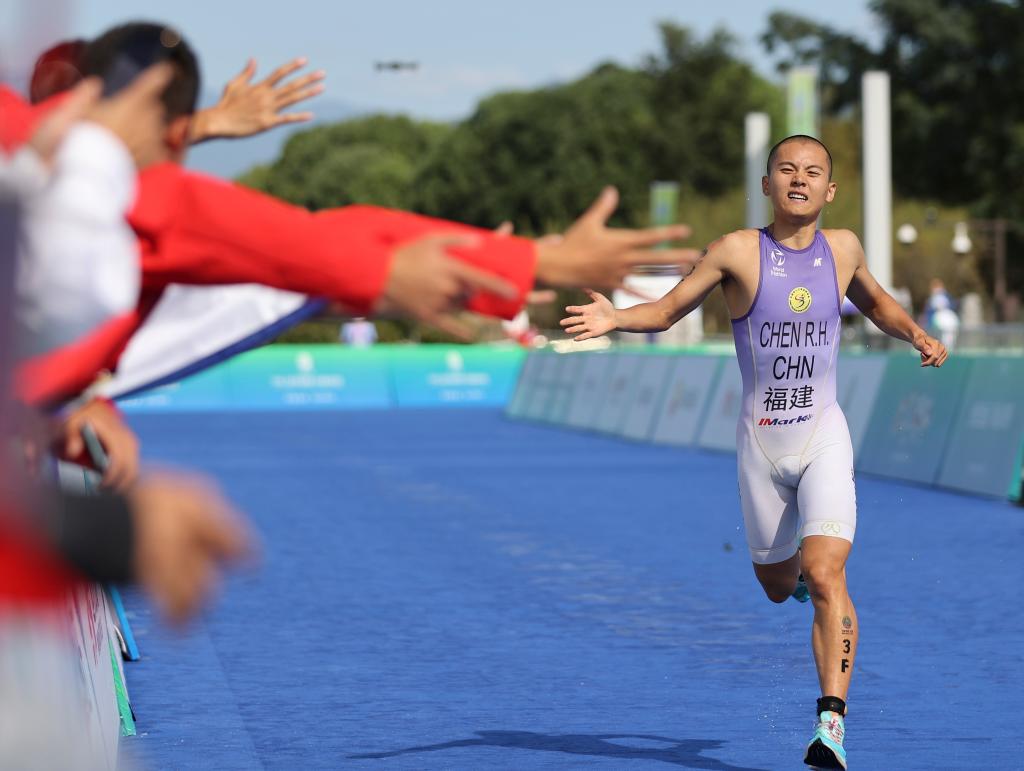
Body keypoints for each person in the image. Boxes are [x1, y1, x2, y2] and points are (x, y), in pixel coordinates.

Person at [9, 22, 697, 410]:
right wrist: (536, 261)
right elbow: (325, 242)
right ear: (162, 102)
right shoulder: (131, 196)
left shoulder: (40, 142)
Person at [561, 134, 948, 769]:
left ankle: (831, 726)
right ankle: (796, 585)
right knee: (776, 585)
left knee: (826, 573)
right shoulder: (737, 251)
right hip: (762, 446)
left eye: (812, 172)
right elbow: (667, 311)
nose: (799, 179)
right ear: (767, 184)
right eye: (786, 170)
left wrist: (916, 334)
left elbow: (876, 303)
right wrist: (616, 318)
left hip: (823, 435)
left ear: (830, 190)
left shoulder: (843, 248)